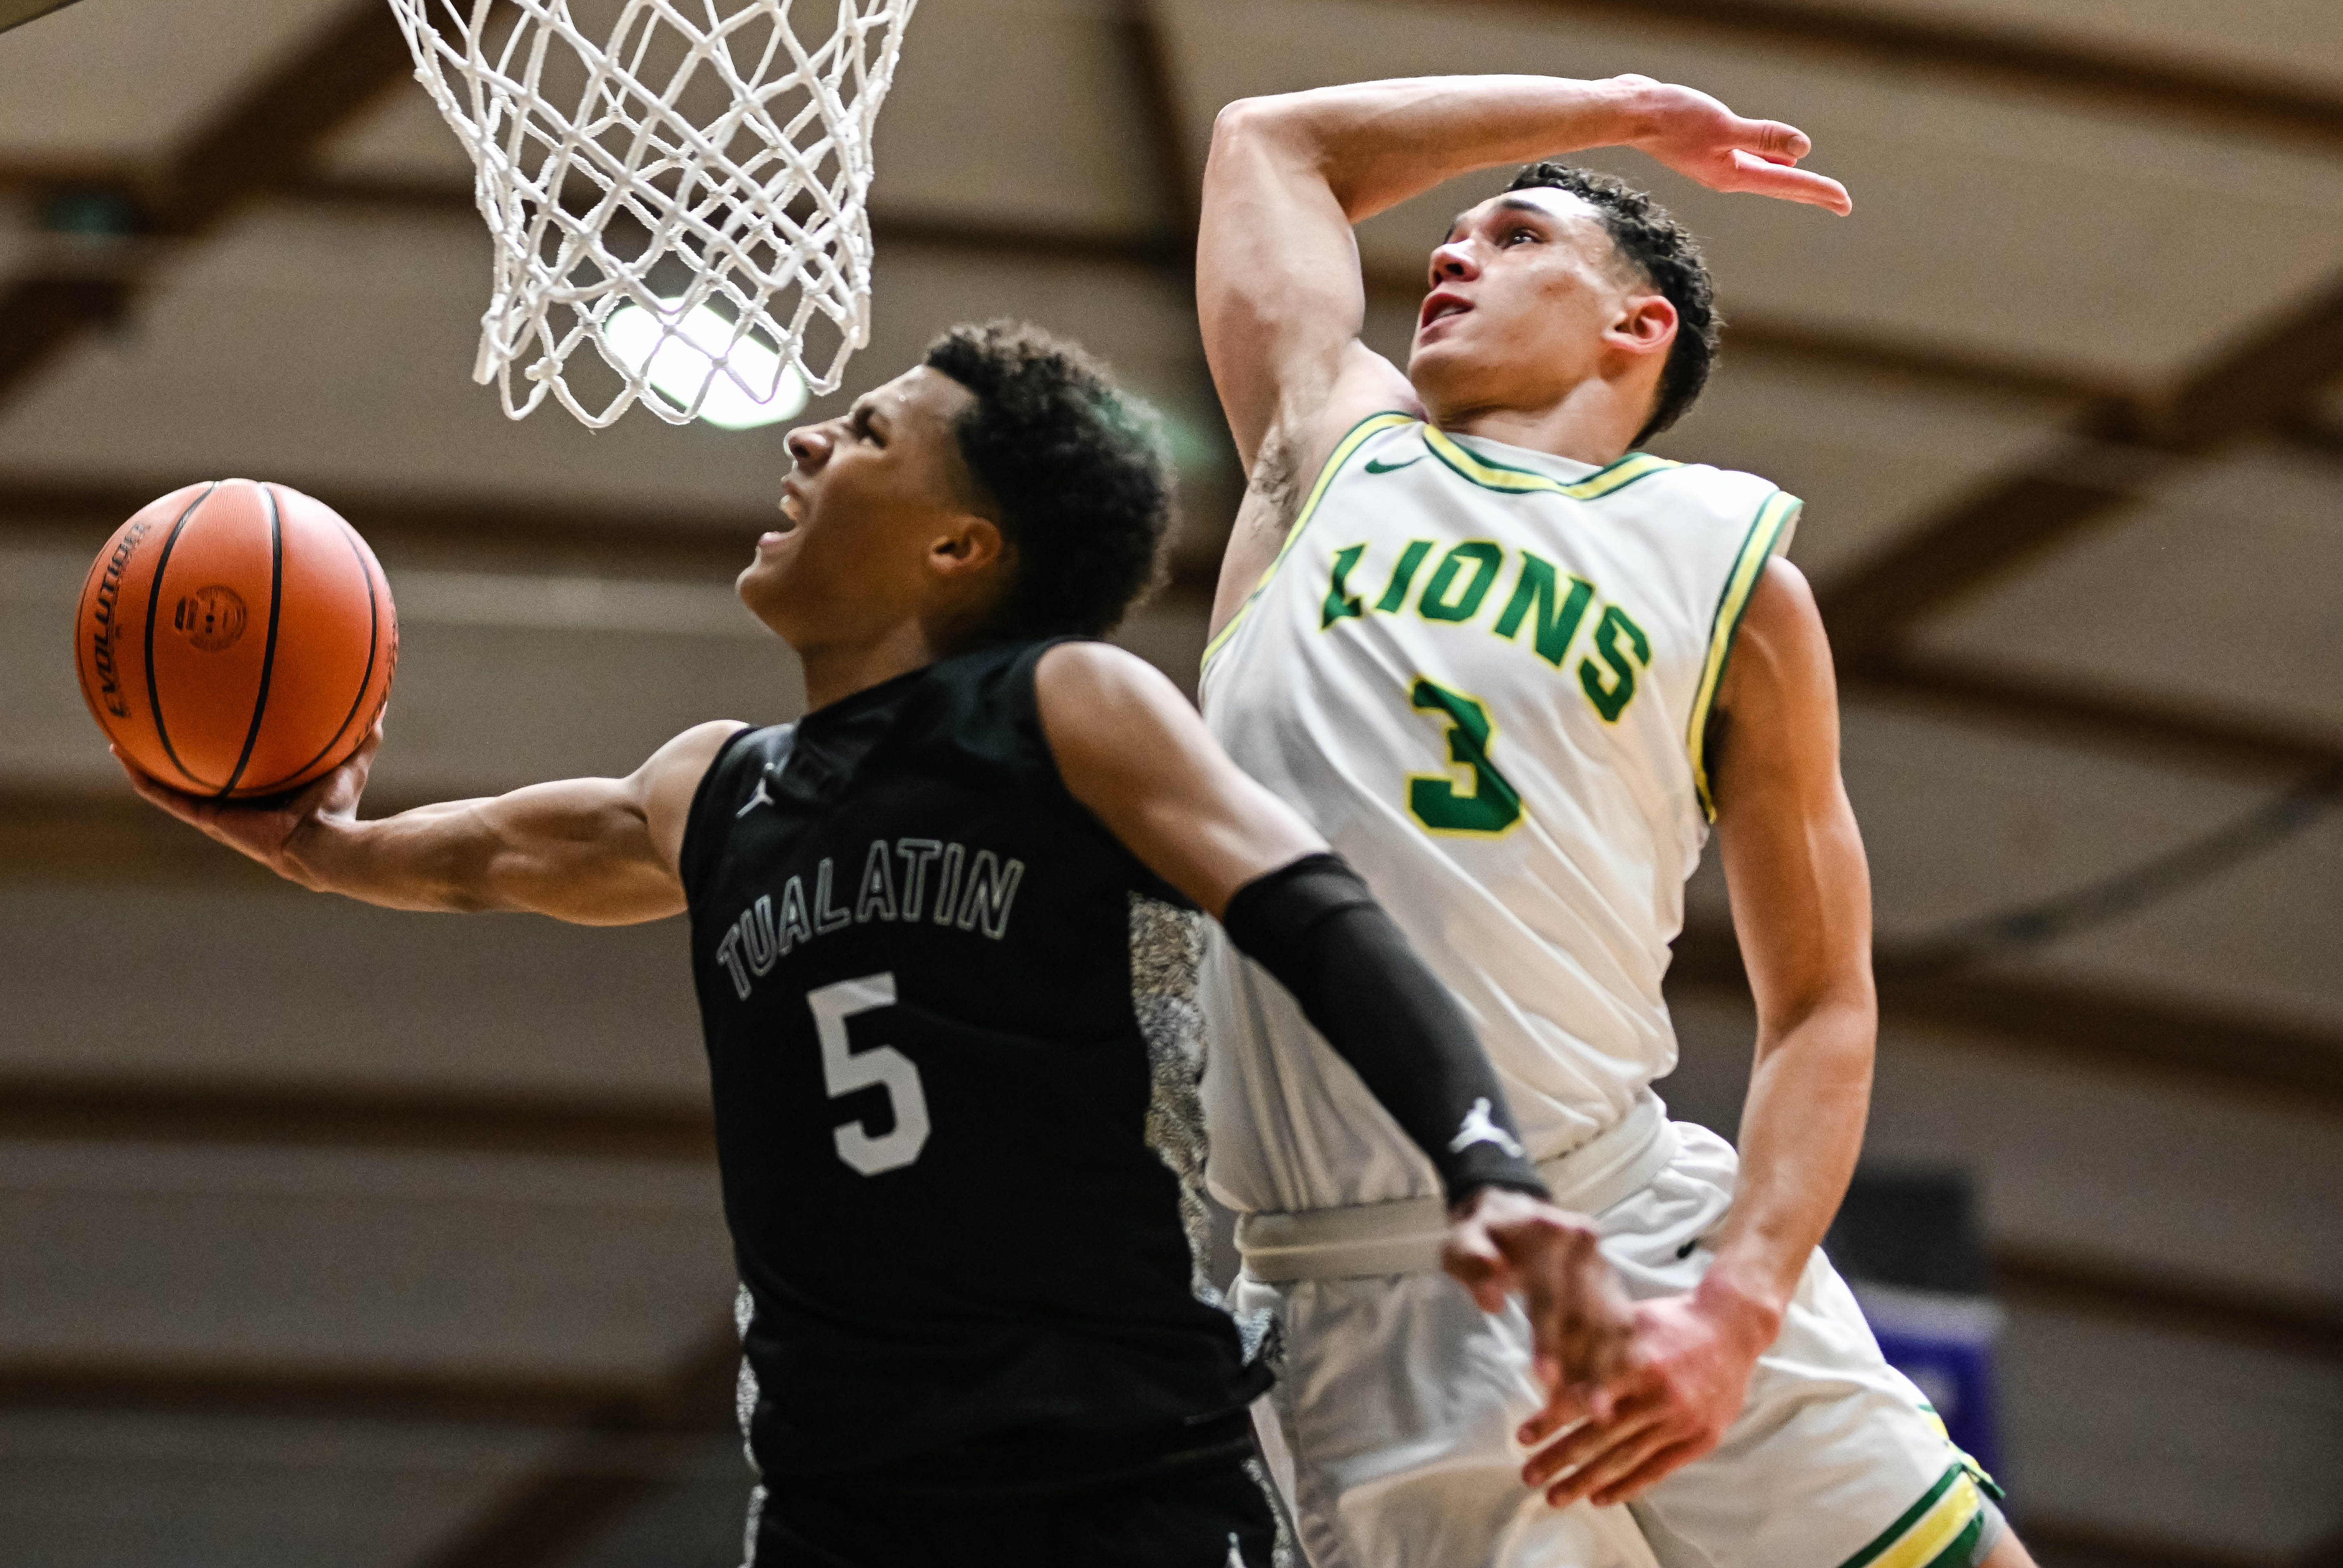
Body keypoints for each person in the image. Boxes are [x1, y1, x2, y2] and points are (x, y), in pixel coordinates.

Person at [122, 323, 1630, 1568]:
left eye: (862, 435)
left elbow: (1306, 902)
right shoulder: (712, 787)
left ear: (961, 544)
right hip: (843, 1514)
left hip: (1115, 1487)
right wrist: (317, 851)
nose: (802, 443)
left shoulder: (1063, 708)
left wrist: (1484, 1163)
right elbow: (502, 854)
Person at [1191, 74, 2027, 1568]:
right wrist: (1626, 109)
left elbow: (1824, 1002)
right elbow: (1271, 143)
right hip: (1365, 1290)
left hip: (1630, 1212)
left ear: (1633, 327)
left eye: (1512, 236)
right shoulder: (1333, 445)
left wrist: (1736, 1312)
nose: (1449, 254)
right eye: (1448, 237)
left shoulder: (1729, 564)